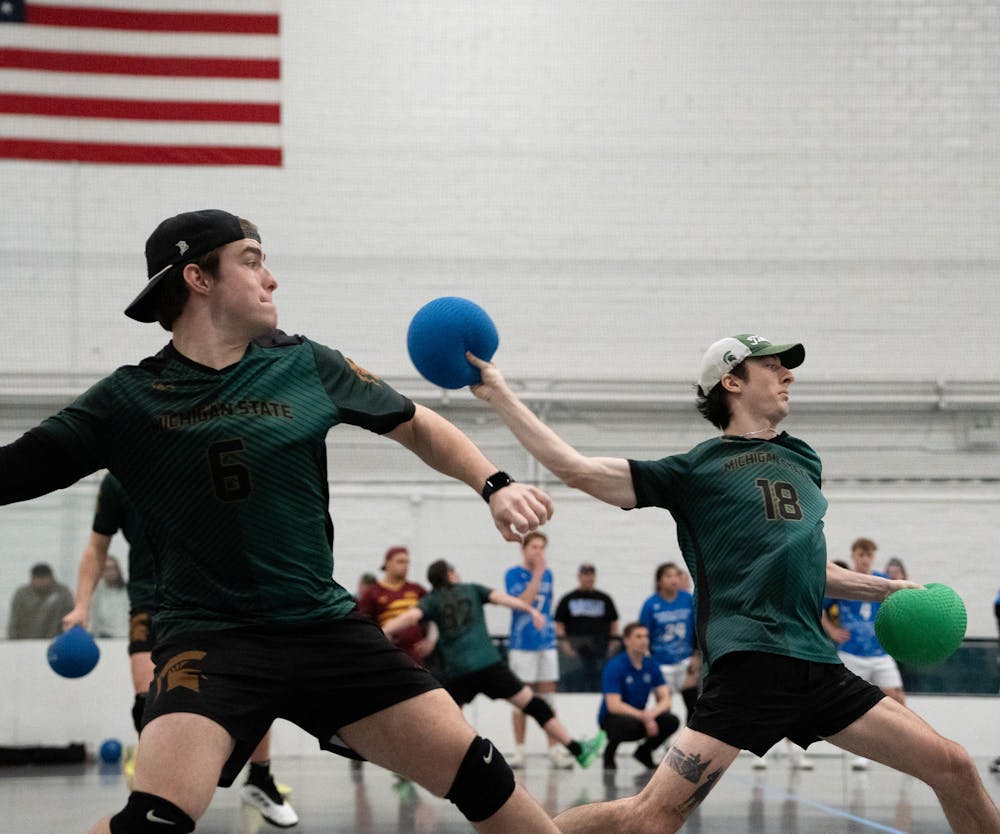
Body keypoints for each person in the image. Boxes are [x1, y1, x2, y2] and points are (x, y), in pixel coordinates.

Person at [0, 209, 559, 834]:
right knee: (152, 820)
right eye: (251, 260)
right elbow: (14, 471)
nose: (271, 279)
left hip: (324, 628)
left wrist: (495, 483)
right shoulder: (127, 400)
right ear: (198, 277)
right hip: (210, 641)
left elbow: (415, 422)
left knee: (481, 772)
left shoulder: (305, 364)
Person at [468, 333, 1000, 833]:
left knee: (953, 765)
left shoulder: (803, 459)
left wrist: (885, 589)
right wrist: (500, 395)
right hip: (750, 664)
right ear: (732, 381)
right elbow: (576, 468)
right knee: (650, 819)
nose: (787, 375)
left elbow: (807, 566)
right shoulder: (695, 471)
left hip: (818, 667)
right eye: (773, 365)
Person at [62, 470, 300, 828]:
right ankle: (155, 797)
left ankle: (260, 777)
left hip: (217, 597)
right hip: (150, 602)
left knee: (256, 685)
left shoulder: (205, 460)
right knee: (148, 699)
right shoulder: (119, 481)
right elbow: (97, 548)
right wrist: (81, 605)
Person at [383, 559, 605, 770]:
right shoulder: (472, 589)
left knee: (442, 720)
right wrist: (531, 610)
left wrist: (383, 631)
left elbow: (411, 617)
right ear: (450, 574)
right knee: (535, 706)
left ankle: (412, 764)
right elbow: (503, 599)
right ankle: (577, 749)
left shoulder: (431, 600)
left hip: (459, 672)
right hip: (489, 665)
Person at [822, 536, 907, 772]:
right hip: (852, 654)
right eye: (861, 555)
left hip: (880, 652)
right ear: (854, 556)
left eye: (869, 555)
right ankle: (863, 754)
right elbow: (820, 608)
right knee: (855, 705)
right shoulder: (846, 583)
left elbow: (900, 607)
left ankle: (903, 748)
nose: (865, 559)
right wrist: (832, 630)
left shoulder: (883, 581)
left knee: (897, 698)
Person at [505, 532, 564, 767]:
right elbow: (524, 602)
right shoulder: (513, 574)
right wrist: (537, 573)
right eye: (534, 547)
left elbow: (548, 605)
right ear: (524, 549)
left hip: (546, 642)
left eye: (542, 547)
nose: (539, 552)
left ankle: (555, 749)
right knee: (521, 697)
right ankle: (519, 750)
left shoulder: (549, 574)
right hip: (522, 644)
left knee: (548, 697)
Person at [598, 622, 679, 771]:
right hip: (613, 718)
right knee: (627, 725)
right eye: (638, 636)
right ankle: (609, 753)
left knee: (671, 721)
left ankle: (644, 752)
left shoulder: (651, 664)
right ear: (627, 640)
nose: (644, 640)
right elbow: (613, 705)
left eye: (646, 636)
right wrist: (643, 716)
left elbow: (666, 699)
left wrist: (650, 715)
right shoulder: (615, 665)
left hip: (641, 716)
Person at [637, 562, 700, 720]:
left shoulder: (687, 599)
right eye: (668, 576)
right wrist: (648, 662)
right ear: (659, 581)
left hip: (685, 661)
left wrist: (696, 655)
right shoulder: (651, 604)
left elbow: (697, 629)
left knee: (693, 706)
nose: (673, 579)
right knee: (664, 708)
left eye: (676, 575)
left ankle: (688, 743)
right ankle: (666, 743)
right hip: (661, 663)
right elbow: (644, 633)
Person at [357, 546, 435, 666]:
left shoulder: (416, 589)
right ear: (387, 563)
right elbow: (363, 625)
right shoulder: (372, 593)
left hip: (416, 656)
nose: (405, 566)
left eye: (407, 562)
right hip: (389, 655)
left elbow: (435, 614)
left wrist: (431, 640)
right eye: (400, 562)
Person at [553, 562, 620, 693]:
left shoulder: (604, 599)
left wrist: (613, 643)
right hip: (576, 650)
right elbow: (559, 624)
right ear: (579, 576)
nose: (589, 578)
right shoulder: (568, 599)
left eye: (591, 575)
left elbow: (613, 622)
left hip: (600, 649)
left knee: (598, 681)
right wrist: (565, 645)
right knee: (577, 681)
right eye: (585, 575)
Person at [6, 562, 74, 639]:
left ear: (51, 577)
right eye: (38, 578)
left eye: (44, 578)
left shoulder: (62, 593)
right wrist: (13, 642)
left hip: (55, 642)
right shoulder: (22, 594)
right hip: (25, 643)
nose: (41, 582)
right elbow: (14, 621)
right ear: (32, 578)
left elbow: (70, 618)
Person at [89, 555, 130, 638]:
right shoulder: (96, 594)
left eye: (113, 568)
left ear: (118, 570)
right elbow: (92, 621)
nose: (110, 572)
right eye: (106, 569)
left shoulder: (128, 592)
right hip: (105, 639)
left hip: (126, 638)